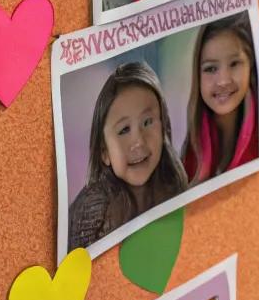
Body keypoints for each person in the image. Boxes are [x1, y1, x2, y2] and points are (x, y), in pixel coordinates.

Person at [67, 60, 187, 251]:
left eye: (148, 122)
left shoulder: (173, 179)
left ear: (163, 125)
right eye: (124, 130)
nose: (138, 141)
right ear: (104, 152)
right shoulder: (95, 206)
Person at [182, 18, 259, 185]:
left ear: (251, 63)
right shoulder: (191, 152)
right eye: (211, 68)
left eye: (234, 64)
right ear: (197, 75)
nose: (223, 80)